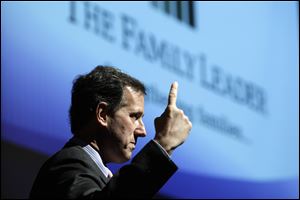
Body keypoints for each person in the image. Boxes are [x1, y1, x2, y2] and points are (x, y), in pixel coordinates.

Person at [30, 66, 192, 199]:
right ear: (102, 114)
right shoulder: (67, 164)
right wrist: (163, 145)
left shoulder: (90, 172)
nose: (143, 131)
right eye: (134, 116)